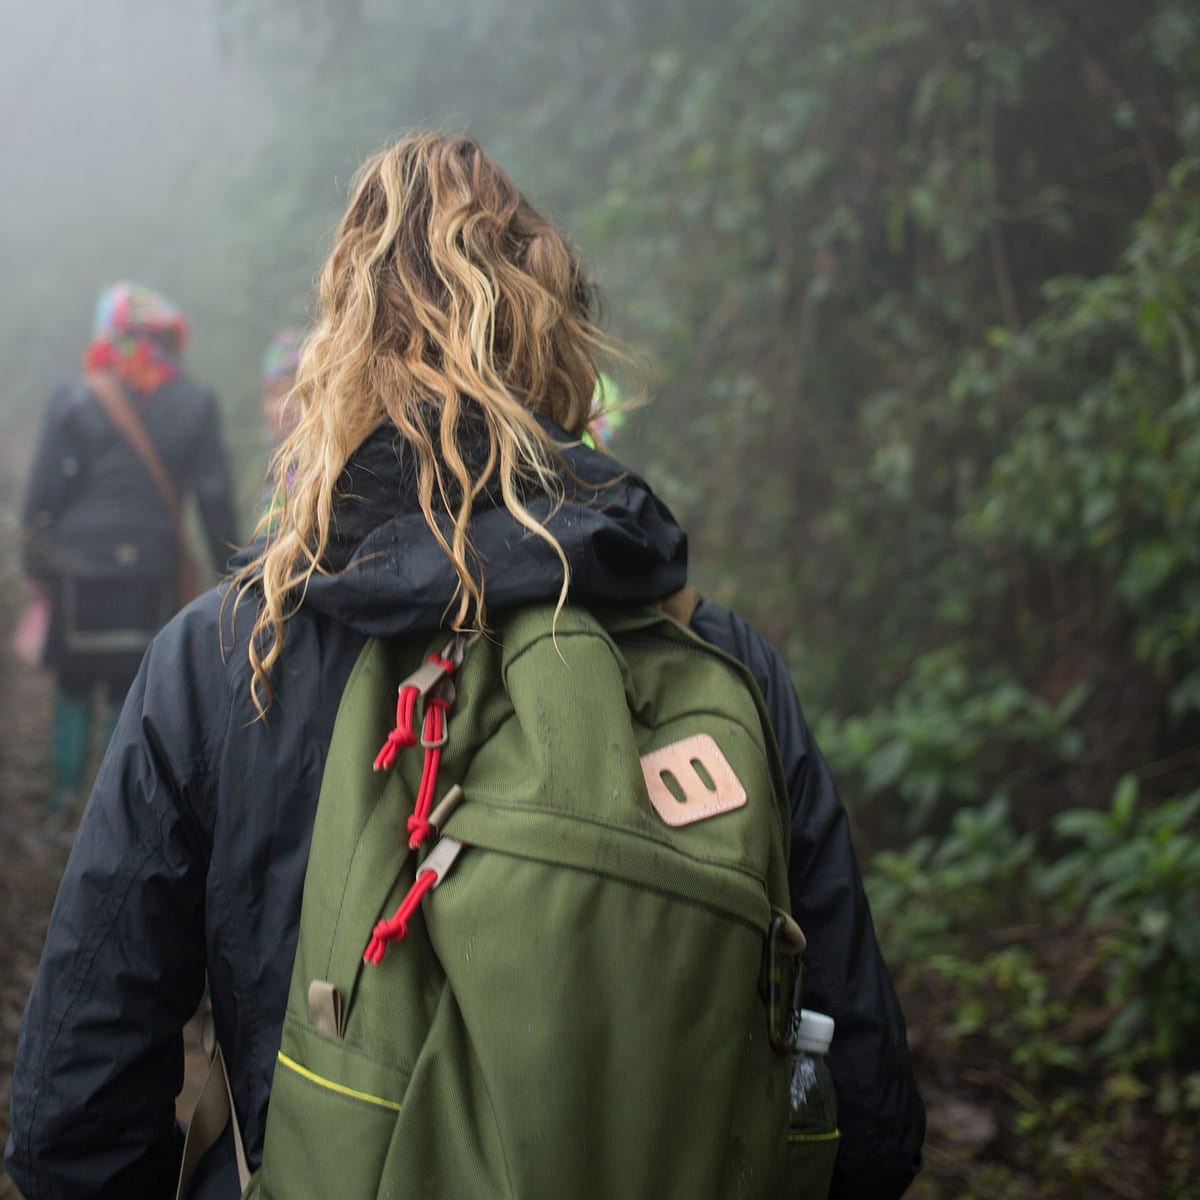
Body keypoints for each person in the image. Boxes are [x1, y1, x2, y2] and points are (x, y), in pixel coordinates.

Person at [5, 135, 924, 1198]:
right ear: (562, 346)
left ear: (336, 349)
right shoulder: (721, 664)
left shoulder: (229, 658)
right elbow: (870, 1121)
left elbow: (71, 1118)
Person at [18, 282, 239, 814]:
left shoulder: (74, 397)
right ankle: (110, 807)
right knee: (131, 686)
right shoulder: (196, 401)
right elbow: (214, 499)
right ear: (170, 335)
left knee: (73, 683)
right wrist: (236, 573)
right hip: (153, 568)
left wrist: (35, 565)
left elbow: (42, 494)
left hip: (78, 567)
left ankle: (61, 800)